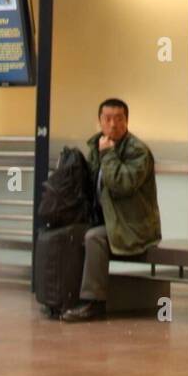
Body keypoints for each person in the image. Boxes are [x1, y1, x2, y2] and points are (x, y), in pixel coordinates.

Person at [61, 98, 162, 322]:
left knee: (94, 238)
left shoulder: (138, 152)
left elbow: (122, 184)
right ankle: (63, 297)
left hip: (133, 227)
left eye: (119, 119)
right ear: (100, 121)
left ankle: (94, 303)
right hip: (109, 220)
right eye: (107, 119)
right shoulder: (97, 147)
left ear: (127, 121)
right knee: (69, 234)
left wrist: (108, 155)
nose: (113, 125)